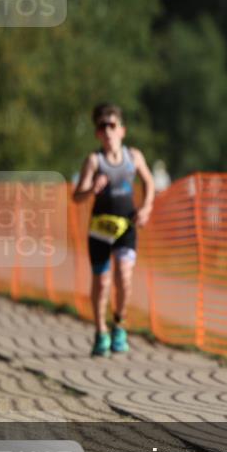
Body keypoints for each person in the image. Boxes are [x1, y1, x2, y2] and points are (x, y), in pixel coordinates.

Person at [73, 104, 155, 356]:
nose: (107, 130)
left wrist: (146, 208)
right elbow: (77, 196)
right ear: (97, 133)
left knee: (124, 277)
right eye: (102, 126)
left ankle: (119, 324)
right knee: (102, 280)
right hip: (100, 228)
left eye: (112, 125)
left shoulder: (134, 157)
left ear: (122, 130)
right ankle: (101, 332)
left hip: (126, 226)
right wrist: (92, 189)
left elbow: (149, 182)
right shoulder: (94, 161)